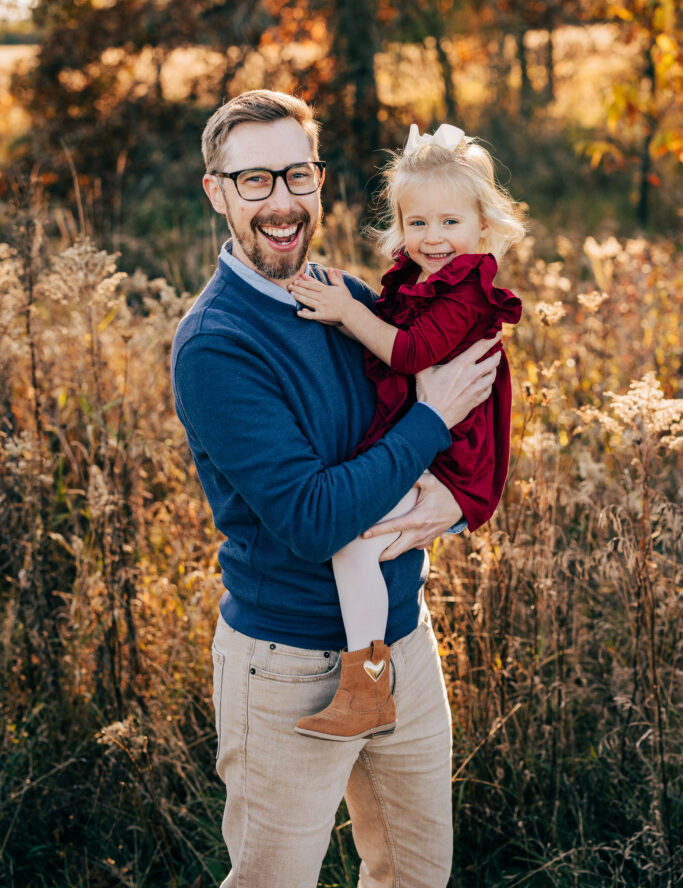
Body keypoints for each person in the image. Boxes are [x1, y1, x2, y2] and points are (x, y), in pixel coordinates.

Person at [171, 89, 504, 888]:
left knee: (416, 876)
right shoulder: (215, 347)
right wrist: (430, 418)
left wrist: (461, 500)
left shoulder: (350, 299)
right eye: (254, 181)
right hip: (288, 666)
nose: (282, 203)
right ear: (216, 191)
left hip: (402, 640)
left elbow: (466, 403)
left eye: (297, 175)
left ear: (319, 182)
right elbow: (316, 518)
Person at [288, 122, 524, 742]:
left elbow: (412, 352)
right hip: (430, 437)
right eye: (417, 223)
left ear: (482, 227)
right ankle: (371, 679)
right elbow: (391, 327)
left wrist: (348, 311)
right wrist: (351, 301)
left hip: (450, 453)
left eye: (450, 222)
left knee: (354, 542)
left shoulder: (468, 289)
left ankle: (366, 690)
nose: (433, 237)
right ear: (399, 225)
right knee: (366, 537)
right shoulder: (418, 280)